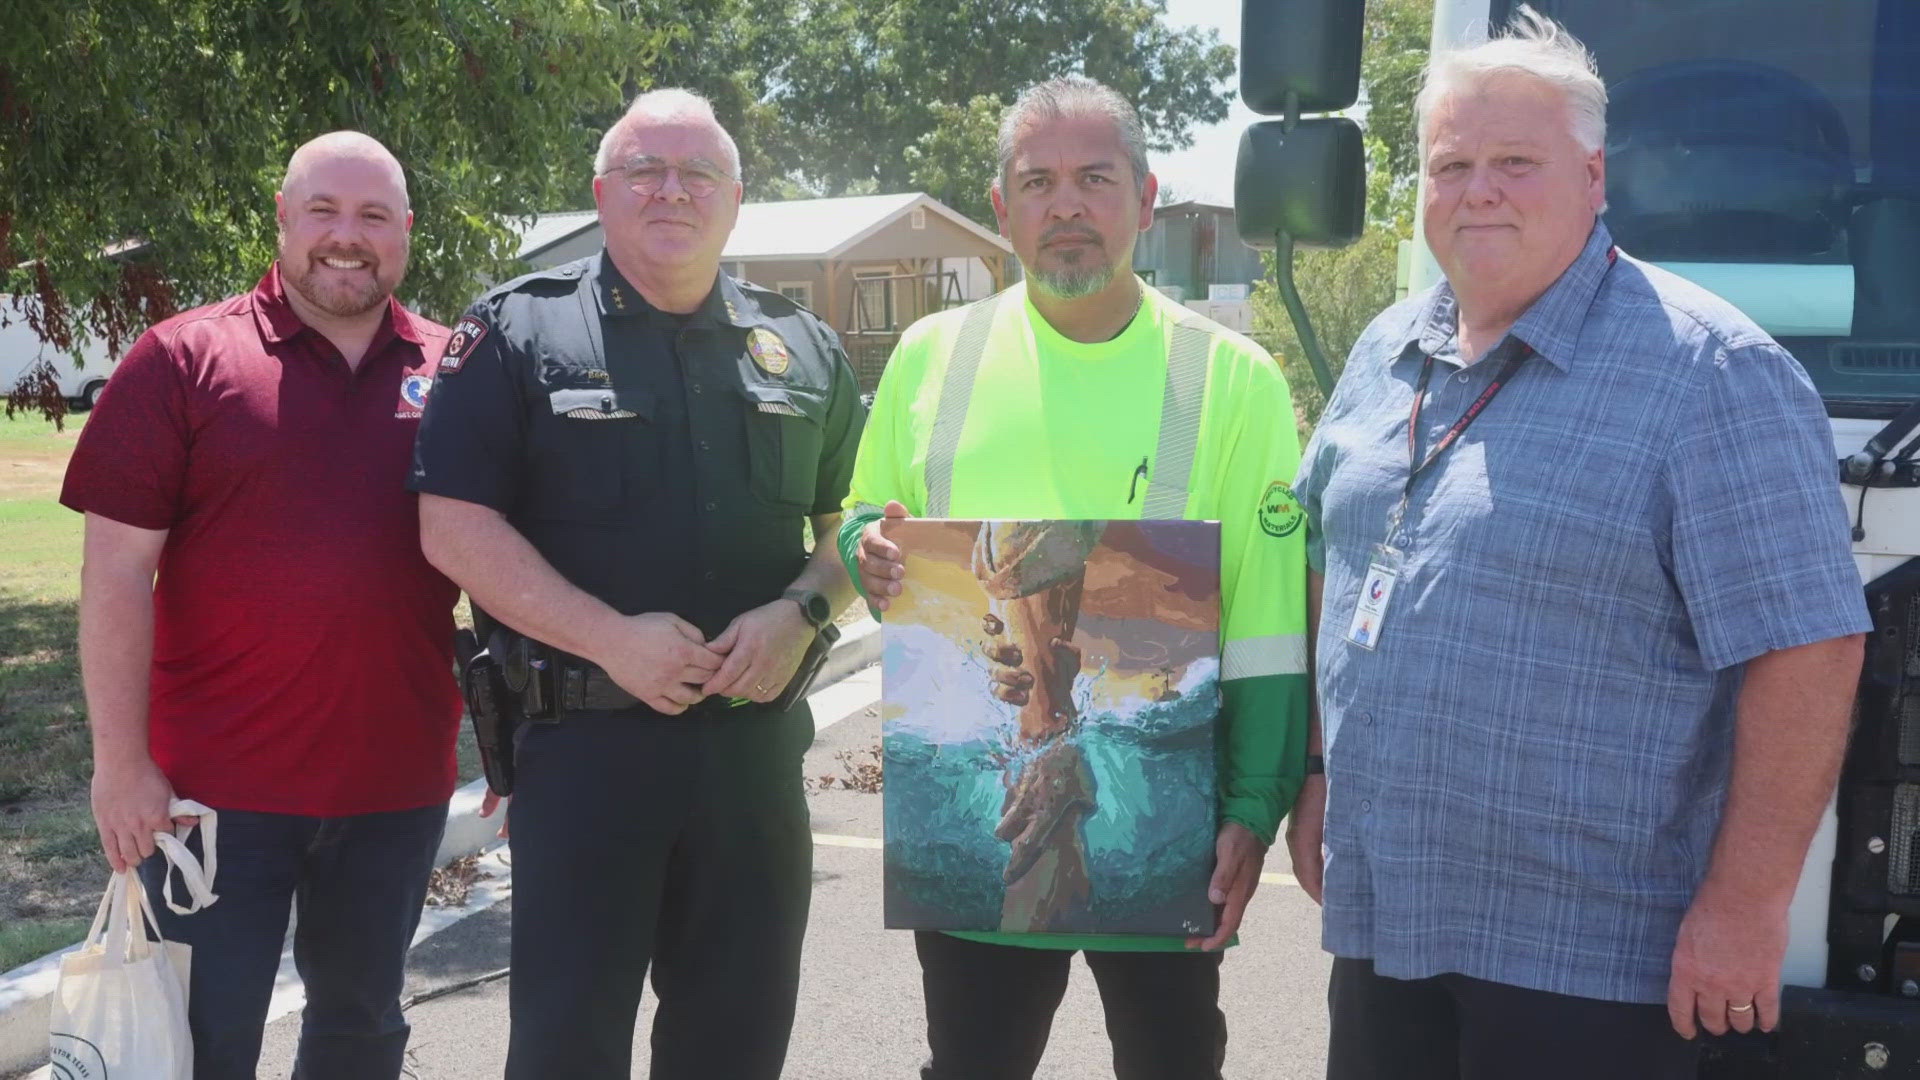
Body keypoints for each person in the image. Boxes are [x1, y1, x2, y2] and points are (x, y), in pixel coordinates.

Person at [1287, 9, 1872, 1078]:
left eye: (1517, 162)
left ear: (1596, 178)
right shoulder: (1388, 349)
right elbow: (1334, 548)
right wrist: (1321, 766)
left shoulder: (1712, 373)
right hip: (1391, 917)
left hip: (1592, 962)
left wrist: (1747, 908)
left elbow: (1810, 648)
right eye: (1451, 163)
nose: (1480, 190)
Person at [843, 75, 1311, 1080]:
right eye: (1038, 181)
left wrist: (1256, 800)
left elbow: (1268, 619)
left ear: (1144, 201)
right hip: (977, 819)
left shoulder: (1233, 382)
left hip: (1168, 818)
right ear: (1002, 207)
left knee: (1173, 1061)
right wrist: (862, 552)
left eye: (1096, 179)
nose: (1067, 205)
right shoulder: (931, 361)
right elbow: (861, 517)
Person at [409, 88, 862, 1078]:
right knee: (567, 1049)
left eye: (697, 172)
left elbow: (851, 529)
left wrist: (803, 611)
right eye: (645, 171)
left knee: (735, 1046)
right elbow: (451, 522)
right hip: (587, 757)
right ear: (601, 193)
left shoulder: (804, 347)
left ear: (735, 198)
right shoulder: (519, 334)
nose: (672, 191)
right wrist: (610, 638)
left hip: (751, 759)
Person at [60, 131, 460, 1079]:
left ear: (406, 231)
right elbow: (115, 573)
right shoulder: (182, 359)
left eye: (372, 216)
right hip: (209, 798)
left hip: (394, 783)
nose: (346, 236)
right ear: (283, 219)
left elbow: (508, 563)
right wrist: (120, 764)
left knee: (363, 1029)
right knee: (202, 1044)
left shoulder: (458, 369)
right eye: (323, 210)